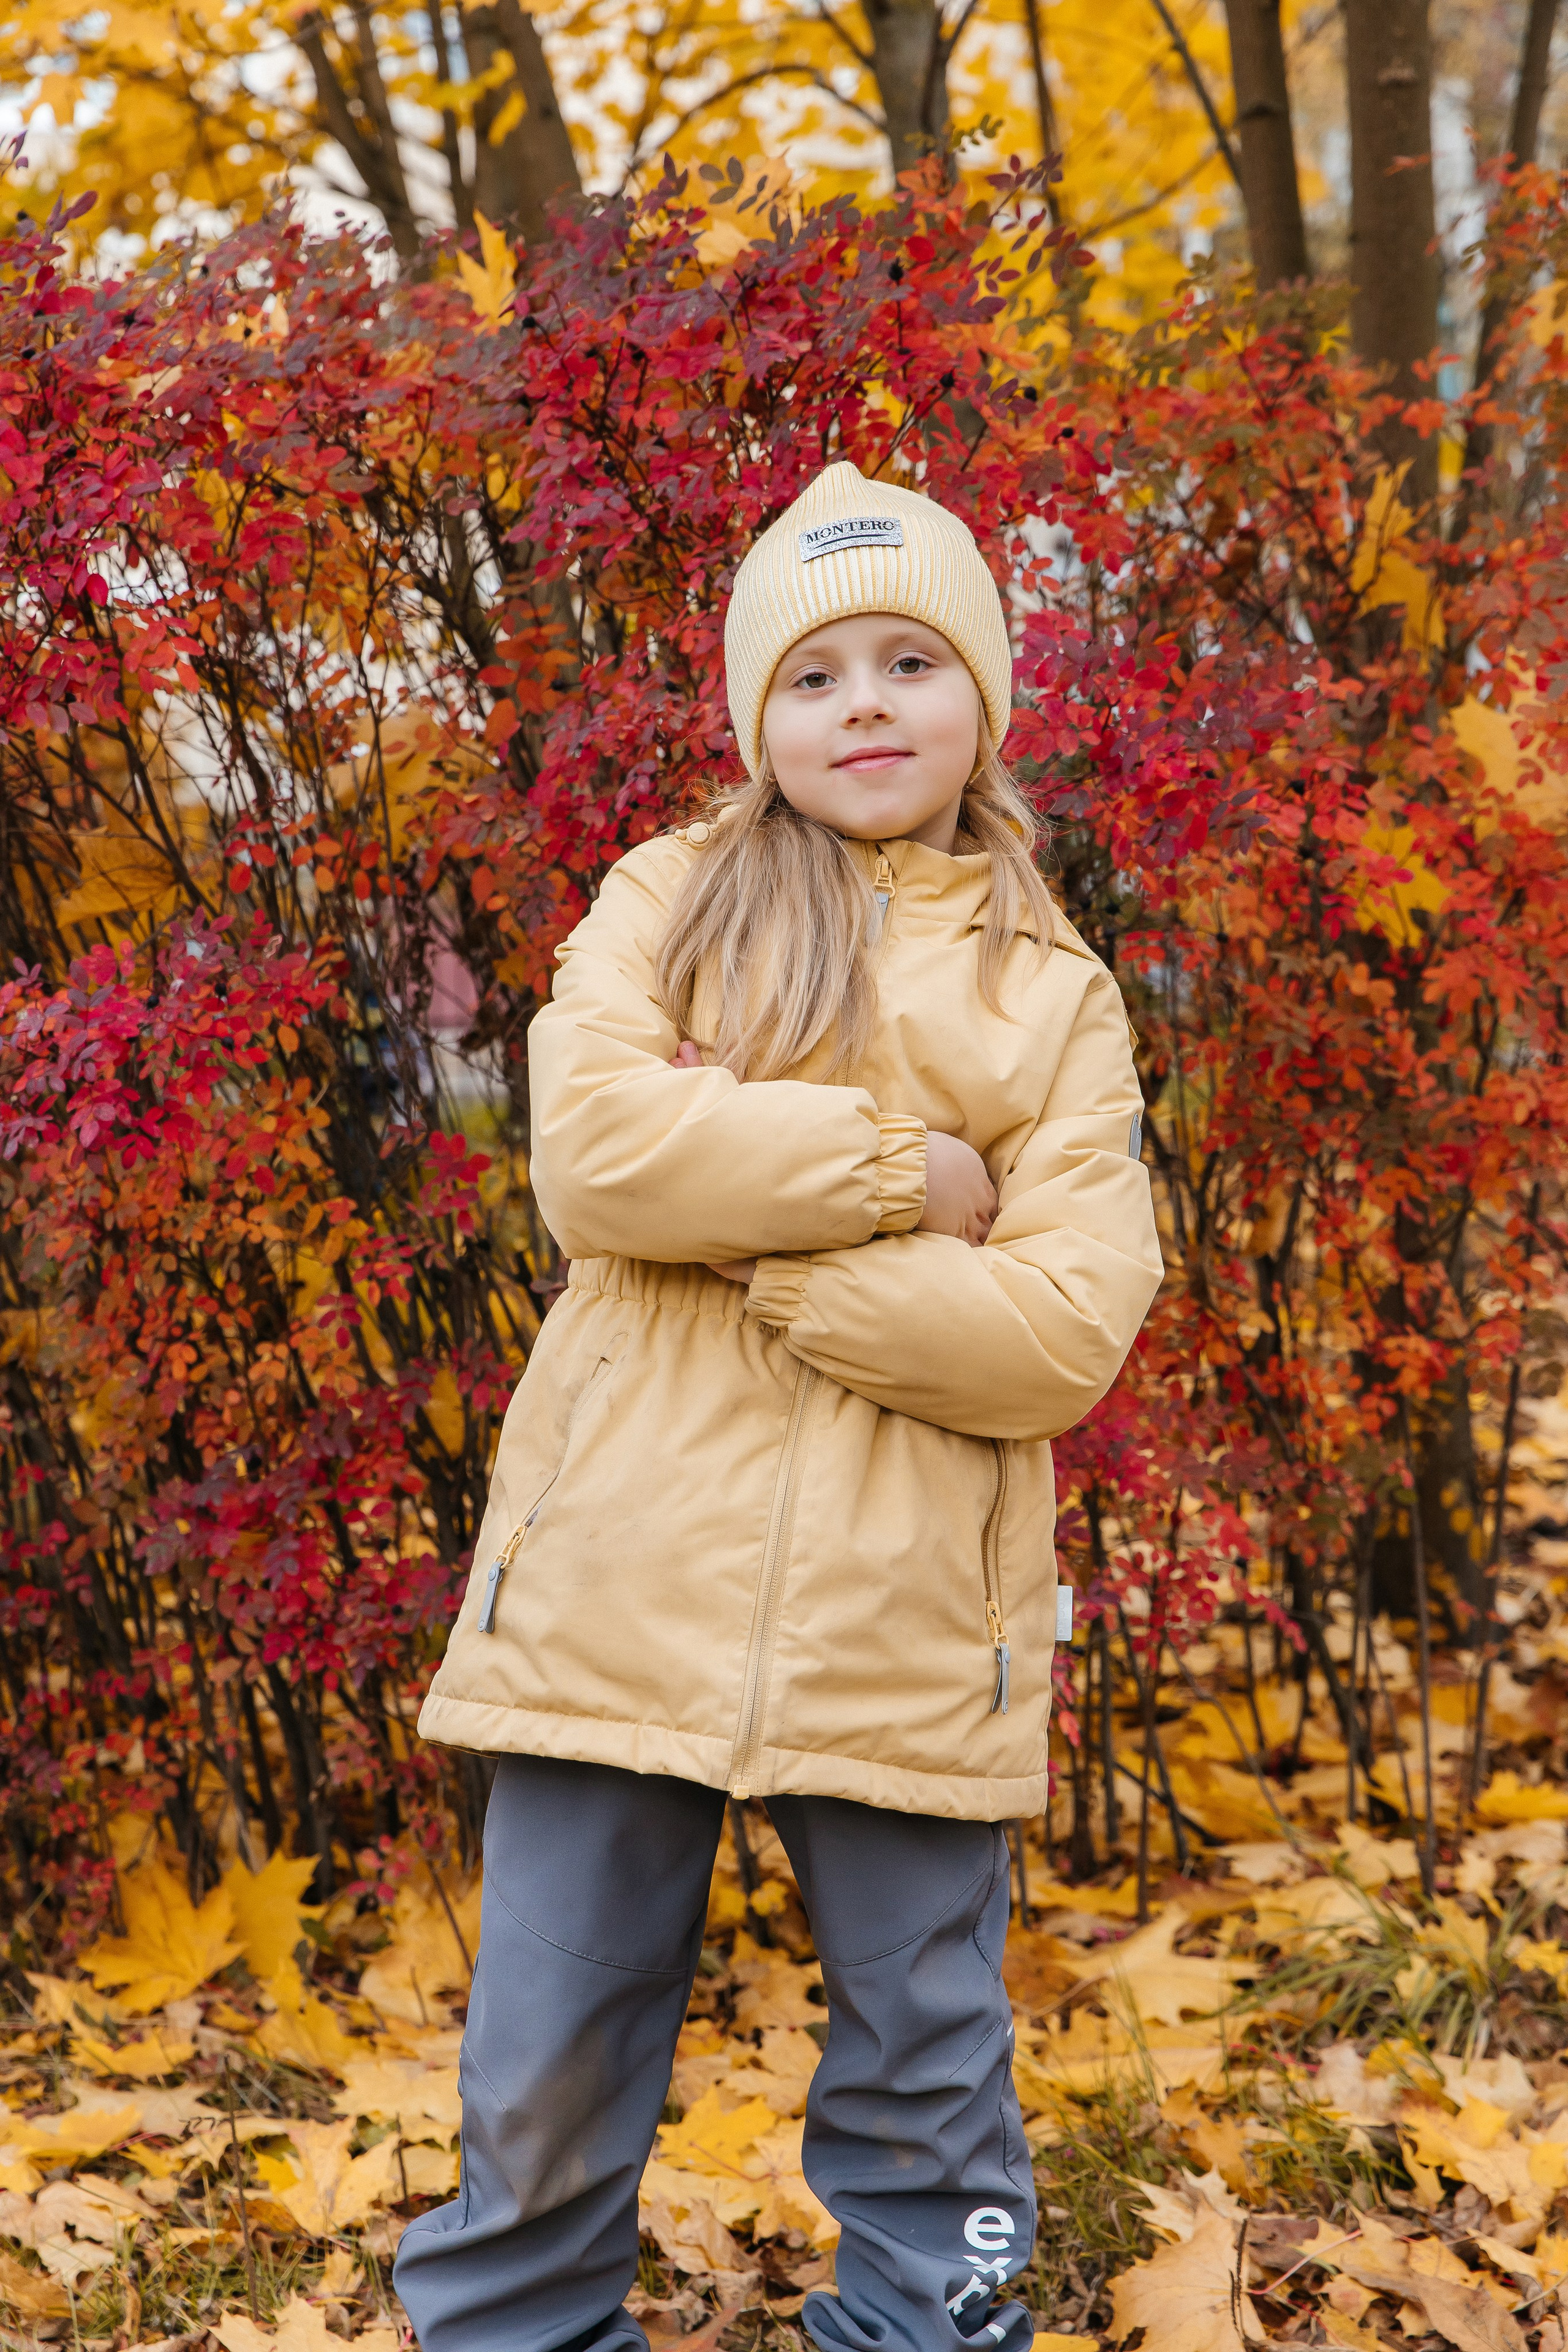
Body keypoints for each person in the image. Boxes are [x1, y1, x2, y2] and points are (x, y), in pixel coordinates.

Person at [395, 461, 1164, 2352]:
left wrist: (775, 1251)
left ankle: (937, 2326)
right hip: (617, 1582)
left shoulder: (1050, 993)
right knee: (546, 2058)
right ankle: (514, 2334)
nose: (869, 705)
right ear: (758, 715)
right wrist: (913, 1178)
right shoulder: (671, 896)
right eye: (816, 675)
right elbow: (594, 1158)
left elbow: (1065, 1324)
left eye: (914, 660)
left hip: (917, 1617)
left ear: (983, 695)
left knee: (932, 2072)